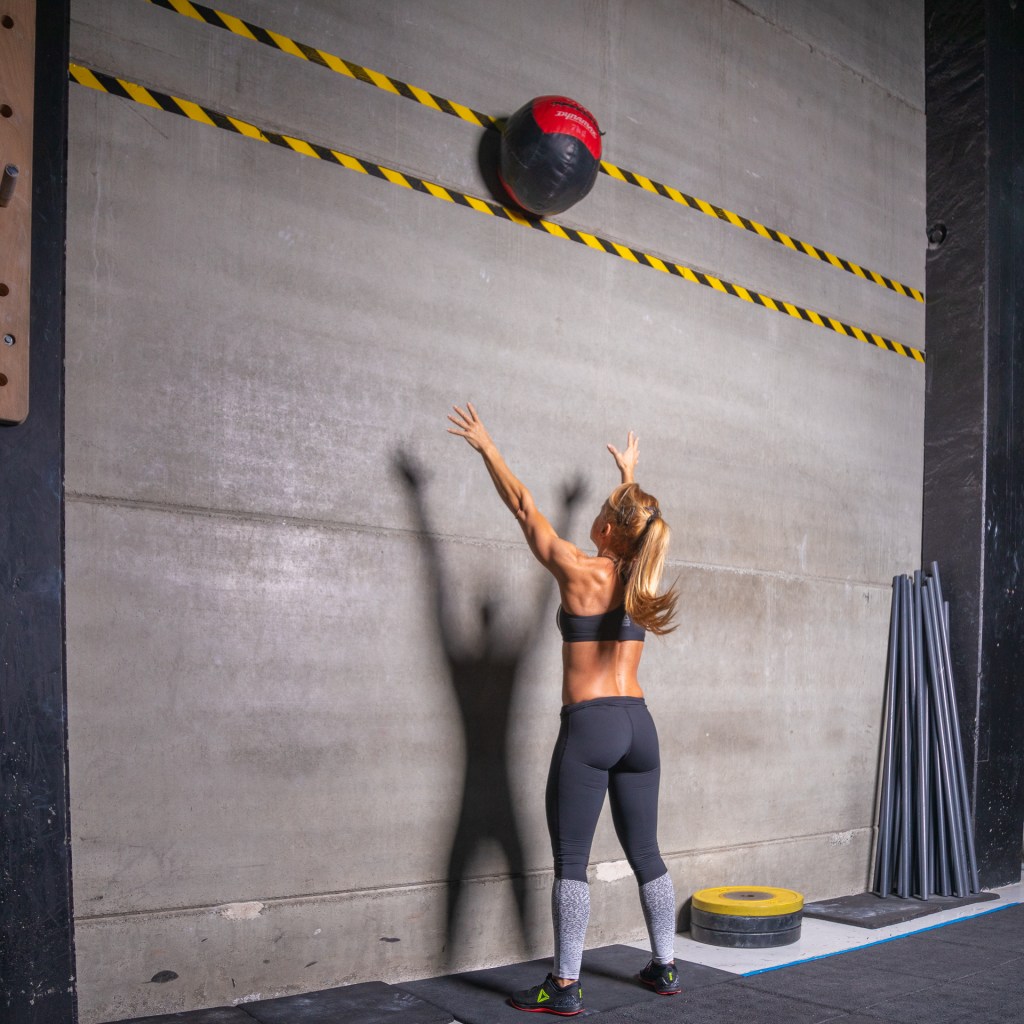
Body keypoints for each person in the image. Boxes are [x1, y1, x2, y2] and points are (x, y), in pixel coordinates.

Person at [447, 402, 681, 1017]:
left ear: (606, 528)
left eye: (603, 510)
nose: (597, 516)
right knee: (647, 853)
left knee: (571, 860)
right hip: (639, 726)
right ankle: (665, 966)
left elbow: (525, 507)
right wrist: (629, 477)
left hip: (591, 726)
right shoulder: (641, 579)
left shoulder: (579, 571)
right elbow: (637, 526)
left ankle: (566, 984)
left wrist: (488, 447)